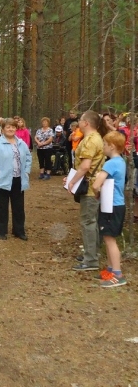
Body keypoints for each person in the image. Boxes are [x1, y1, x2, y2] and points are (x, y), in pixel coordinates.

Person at [66, 110, 104, 271]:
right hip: (92, 184)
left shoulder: (90, 140)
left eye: (81, 119)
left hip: (89, 186)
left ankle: (91, 260)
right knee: (92, 221)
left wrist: (72, 182)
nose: (79, 122)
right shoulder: (95, 138)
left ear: (86, 123)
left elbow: (86, 166)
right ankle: (92, 252)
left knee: (88, 221)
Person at [0, 118, 32, 241]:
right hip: (2, 179)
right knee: (1, 206)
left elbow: (28, 157)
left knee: (18, 206)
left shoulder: (21, 143)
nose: (11, 129)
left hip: (18, 179)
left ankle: (19, 231)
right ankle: (1, 231)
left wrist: (26, 171)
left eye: (13, 127)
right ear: (3, 129)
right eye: (8, 127)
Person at [92, 131, 127, 288]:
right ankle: (110, 269)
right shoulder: (121, 161)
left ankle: (118, 274)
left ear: (112, 146)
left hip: (111, 205)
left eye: (105, 145)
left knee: (110, 239)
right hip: (116, 204)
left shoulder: (110, 163)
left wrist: (96, 193)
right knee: (107, 236)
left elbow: (96, 184)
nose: (104, 147)